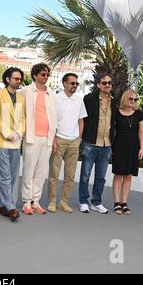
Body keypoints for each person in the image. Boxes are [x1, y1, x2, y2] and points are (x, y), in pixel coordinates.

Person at [0, 67, 26, 222]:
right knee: (4, 175)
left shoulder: (21, 97)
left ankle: (0, 204)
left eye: (20, 79)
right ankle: (10, 206)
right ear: (7, 79)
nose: (18, 81)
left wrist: (19, 133)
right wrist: (8, 133)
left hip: (16, 141)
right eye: (16, 78)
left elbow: (23, 118)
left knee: (11, 176)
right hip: (0, 140)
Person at [20, 63, 57, 215]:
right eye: (43, 74)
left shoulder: (52, 94)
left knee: (41, 172)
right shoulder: (25, 91)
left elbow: (55, 118)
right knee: (28, 171)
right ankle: (26, 202)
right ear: (35, 75)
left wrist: (53, 139)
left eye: (47, 74)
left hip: (47, 138)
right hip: (31, 137)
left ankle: (36, 201)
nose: (46, 77)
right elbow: (19, 114)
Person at [47, 73, 87, 213]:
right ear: (64, 83)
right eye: (72, 83)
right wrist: (53, 140)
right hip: (59, 139)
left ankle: (63, 202)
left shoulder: (79, 100)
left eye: (76, 83)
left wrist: (79, 139)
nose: (75, 86)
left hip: (74, 142)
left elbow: (81, 120)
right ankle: (52, 201)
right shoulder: (56, 99)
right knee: (54, 174)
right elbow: (52, 120)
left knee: (70, 175)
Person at [79, 73, 117, 214]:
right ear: (98, 85)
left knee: (101, 177)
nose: (107, 85)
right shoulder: (89, 99)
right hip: (90, 143)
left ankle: (96, 202)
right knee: (85, 175)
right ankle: (83, 201)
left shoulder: (115, 101)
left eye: (109, 83)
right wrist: (81, 137)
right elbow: (82, 119)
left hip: (106, 144)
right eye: (104, 83)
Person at [112, 89, 143, 215]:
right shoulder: (116, 113)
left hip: (133, 146)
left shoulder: (139, 114)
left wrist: (142, 148)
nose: (133, 101)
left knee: (128, 175)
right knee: (118, 174)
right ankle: (116, 203)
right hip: (119, 146)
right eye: (130, 98)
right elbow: (110, 131)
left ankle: (124, 203)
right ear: (125, 99)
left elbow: (141, 131)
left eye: (135, 99)